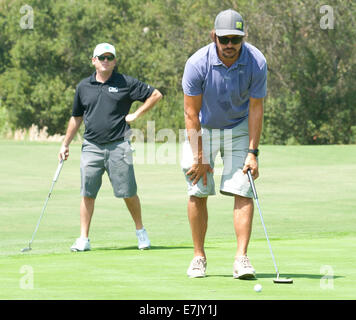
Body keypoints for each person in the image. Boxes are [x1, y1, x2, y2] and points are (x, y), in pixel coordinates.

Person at [181, 9, 267, 278]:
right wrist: (199, 155)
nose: (230, 45)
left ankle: (241, 259)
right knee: (197, 188)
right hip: (203, 128)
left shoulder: (256, 62)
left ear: (244, 38)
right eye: (224, 39)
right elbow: (190, 113)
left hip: (239, 127)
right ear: (213, 37)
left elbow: (256, 109)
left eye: (235, 39)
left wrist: (253, 152)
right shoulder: (197, 63)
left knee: (244, 188)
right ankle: (198, 257)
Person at [59, 43, 162, 252]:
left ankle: (141, 232)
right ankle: (83, 239)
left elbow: (156, 95)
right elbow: (76, 117)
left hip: (119, 145)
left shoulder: (125, 82)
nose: (106, 61)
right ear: (94, 60)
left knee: (128, 192)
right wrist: (65, 144)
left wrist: (136, 114)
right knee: (87, 192)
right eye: (101, 57)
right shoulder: (83, 86)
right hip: (91, 146)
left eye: (109, 57)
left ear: (114, 61)